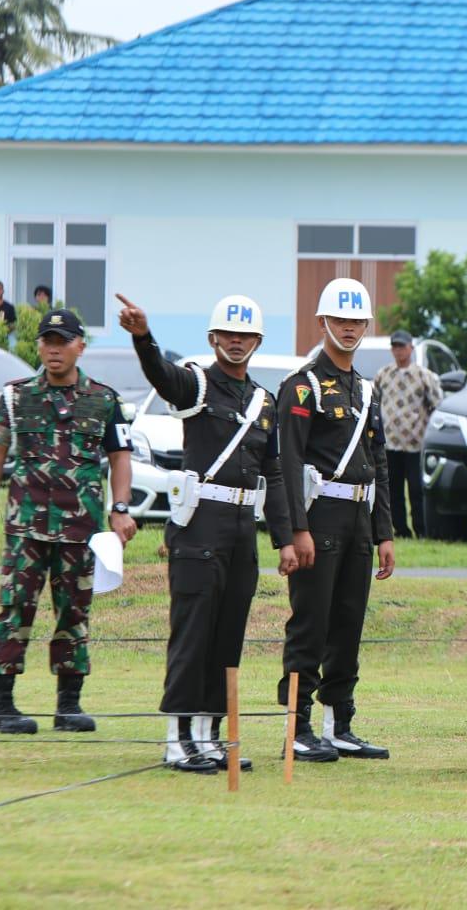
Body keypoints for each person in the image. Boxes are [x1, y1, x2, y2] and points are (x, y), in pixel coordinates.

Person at [118, 293, 298, 774]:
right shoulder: (196, 384)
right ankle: (177, 738)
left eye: (245, 335)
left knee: (228, 635)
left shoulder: (264, 400)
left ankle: (209, 734)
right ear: (213, 339)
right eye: (228, 334)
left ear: (257, 341)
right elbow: (162, 375)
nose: (236, 342)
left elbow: (274, 473)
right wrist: (143, 337)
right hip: (198, 524)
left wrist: (283, 538)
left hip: (242, 528)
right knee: (193, 634)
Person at [0, 308, 137, 735]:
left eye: (62, 341)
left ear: (80, 346)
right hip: (26, 526)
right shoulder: (15, 396)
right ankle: (0, 704)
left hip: (80, 529)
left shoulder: (104, 399)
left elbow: (120, 458)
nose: (53, 349)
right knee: (15, 608)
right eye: (47, 340)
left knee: (75, 613)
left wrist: (121, 510)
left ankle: (68, 705)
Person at [277, 278, 397, 762]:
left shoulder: (367, 390)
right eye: (340, 320)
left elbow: (380, 461)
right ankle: (297, 725)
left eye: (356, 321)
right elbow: (287, 463)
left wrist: (384, 532)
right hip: (319, 512)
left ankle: (340, 722)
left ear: (367, 325)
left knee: (348, 621)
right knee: (312, 621)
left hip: (359, 516)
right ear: (322, 322)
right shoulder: (302, 385)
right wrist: (296, 528)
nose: (348, 329)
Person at [374, 330, 443, 539]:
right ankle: (400, 530)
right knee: (393, 490)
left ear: (411, 348)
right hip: (390, 443)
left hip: (416, 443)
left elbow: (437, 405)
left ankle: (421, 530)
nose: (398, 350)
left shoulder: (424, 376)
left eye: (402, 346)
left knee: (416, 489)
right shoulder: (383, 375)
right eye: (395, 346)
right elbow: (374, 403)